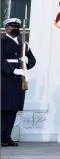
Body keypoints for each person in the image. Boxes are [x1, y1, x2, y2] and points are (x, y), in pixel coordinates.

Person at [1, 18, 36, 147]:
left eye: (17, 27)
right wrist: (12, 71)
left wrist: (27, 61)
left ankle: (7, 136)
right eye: (12, 27)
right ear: (6, 28)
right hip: (4, 79)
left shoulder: (24, 44)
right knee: (2, 109)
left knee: (13, 109)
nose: (15, 29)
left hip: (19, 80)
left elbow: (32, 60)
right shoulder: (2, 41)